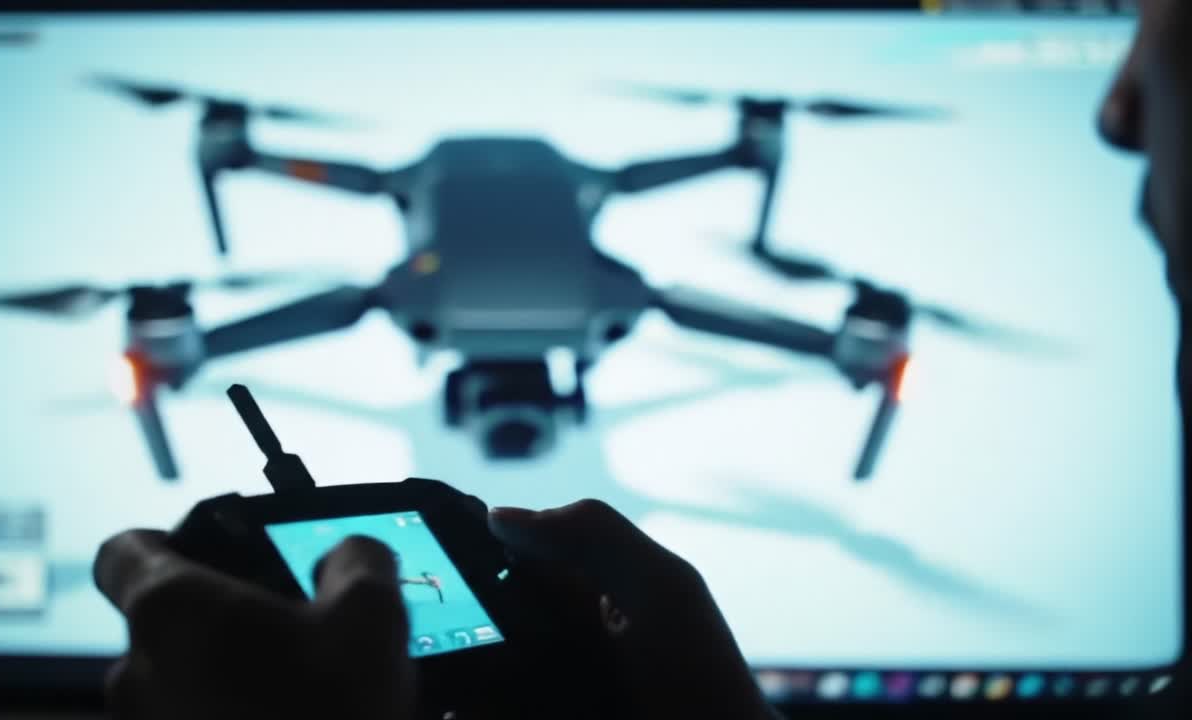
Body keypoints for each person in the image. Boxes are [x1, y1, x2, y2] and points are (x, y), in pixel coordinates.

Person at [93, 2, 1190, 718]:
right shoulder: (615, 295)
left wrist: (175, 340)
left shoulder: (403, 287)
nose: (1114, 113)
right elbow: (749, 324)